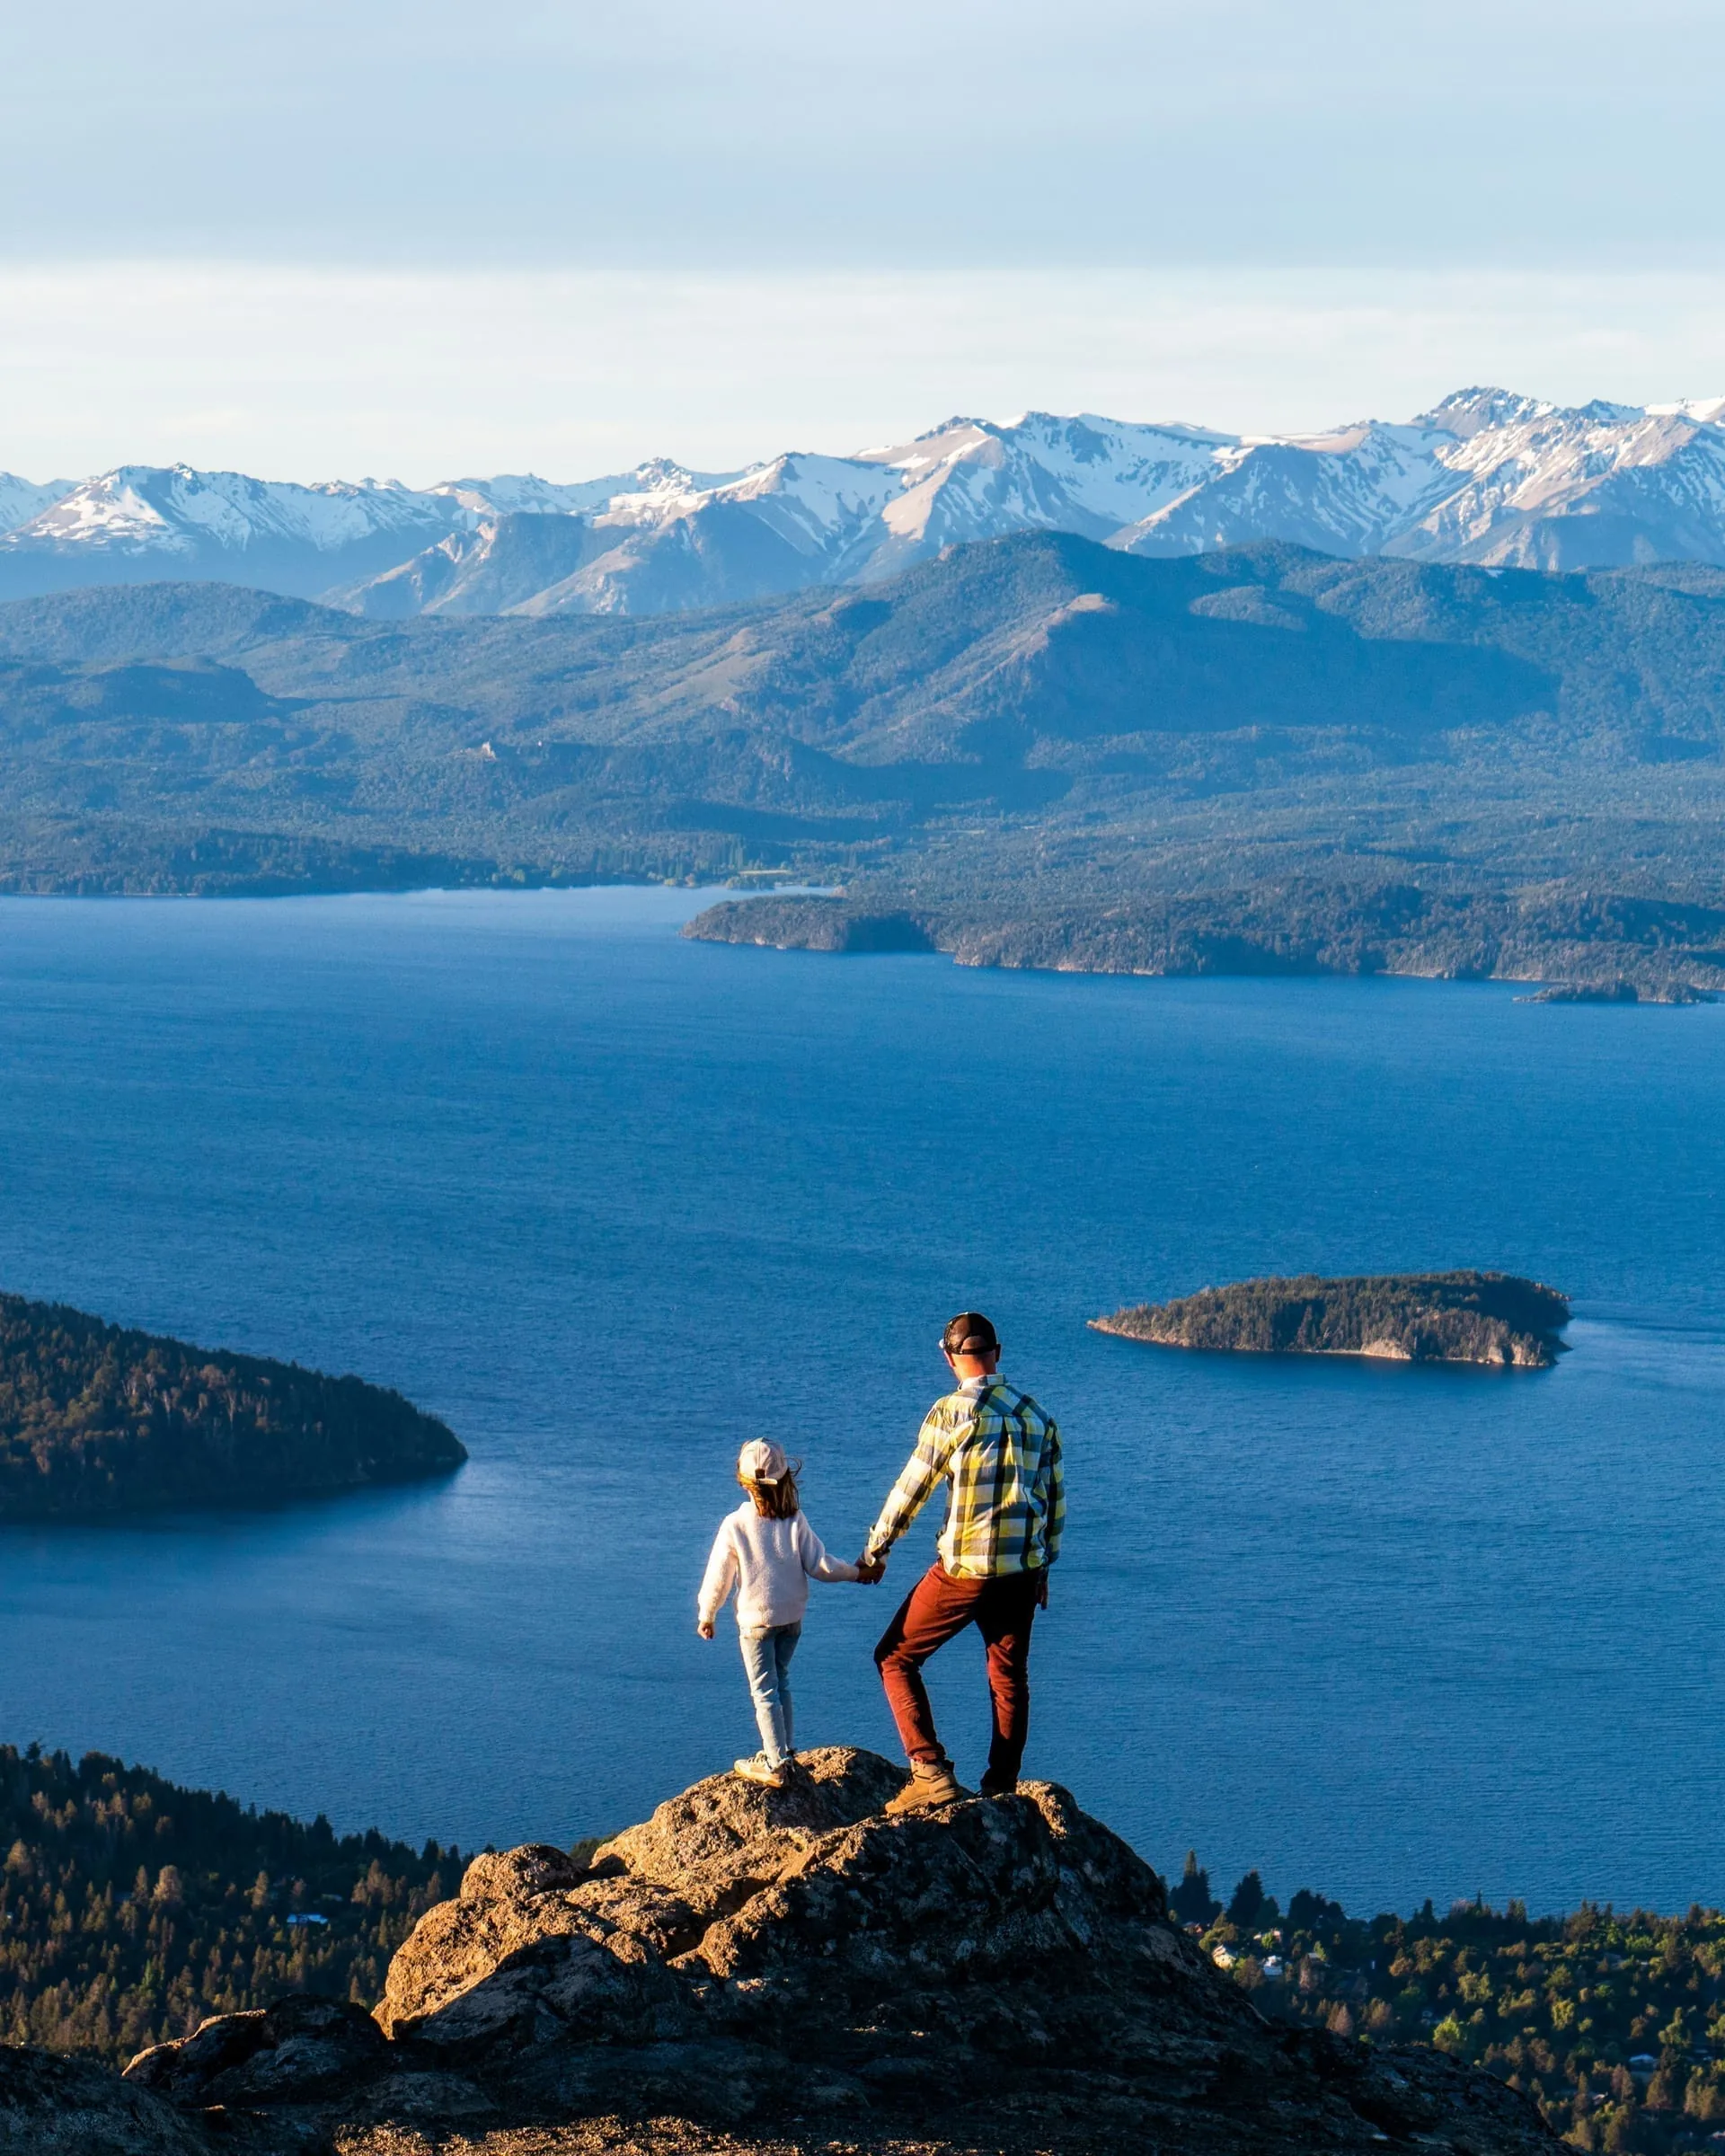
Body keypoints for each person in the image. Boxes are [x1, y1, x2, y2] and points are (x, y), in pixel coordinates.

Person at [860, 1312, 1064, 1811]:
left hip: (964, 1571)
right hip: (1020, 1571)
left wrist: (877, 1548)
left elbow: (913, 1488)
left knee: (895, 1657)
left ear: (948, 1356)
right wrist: (1043, 1567)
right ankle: (1001, 1786)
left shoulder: (953, 1413)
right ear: (999, 1351)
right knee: (1009, 1675)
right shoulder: (1037, 1416)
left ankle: (929, 1770)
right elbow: (1053, 1501)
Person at [698, 1438, 871, 1789]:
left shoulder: (735, 1524)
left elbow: (719, 1576)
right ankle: (786, 1750)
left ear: (743, 1482)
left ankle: (775, 1762)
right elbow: (821, 1566)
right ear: (785, 1478)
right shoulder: (794, 1520)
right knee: (782, 1680)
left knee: (764, 1691)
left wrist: (707, 1613)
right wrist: (857, 1572)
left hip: (756, 1622)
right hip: (792, 1619)